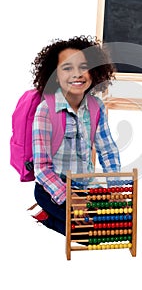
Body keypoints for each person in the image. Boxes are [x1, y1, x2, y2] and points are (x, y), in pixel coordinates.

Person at [31, 35, 121, 238]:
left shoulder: (96, 106)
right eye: (67, 68)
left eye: (83, 67)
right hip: (54, 189)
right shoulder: (46, 110)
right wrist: (71, 199)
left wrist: (115, 186)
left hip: (86, 187)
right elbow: (42, 168)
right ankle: (45, 214)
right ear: (55, 75)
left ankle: (72, 217)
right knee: (89, 235)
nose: (77, 74)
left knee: (112, 226)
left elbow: (107, 150)